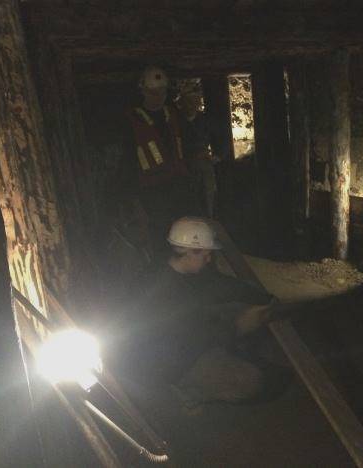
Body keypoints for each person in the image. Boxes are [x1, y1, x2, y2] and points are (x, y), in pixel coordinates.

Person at [119, 217, 278, 410]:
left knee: (237, 311)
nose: (209, 259)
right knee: (249, 380)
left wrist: (262, 297)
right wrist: (238, 326)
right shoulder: (163, 293)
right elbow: (194, 339)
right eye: (205, 255)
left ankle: (228, 357)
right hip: (170, 363)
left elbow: (222, 285)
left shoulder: (183, 269)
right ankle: (188, 393)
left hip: (187, 342)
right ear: (190, 252)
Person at [118, 66, 200, 257]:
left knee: (189, 234)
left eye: (162, 91)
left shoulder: (174, 115)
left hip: (180, 186)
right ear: (143, 91)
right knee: (161, 238)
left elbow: (190, 144)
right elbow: (126, 161)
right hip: (152, 192)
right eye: (153, 92)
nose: (158, 96)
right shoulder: (131, 121)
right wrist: (132, 196)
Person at [177, 88, 218, 218]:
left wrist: (217, 156)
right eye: (189, 101)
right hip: (185, 163)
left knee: (208, 192)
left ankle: (209, 217)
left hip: (204, 161)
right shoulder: (176, 121)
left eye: (195, 101)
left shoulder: (204, 120)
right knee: (189, 193)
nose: (192, 105)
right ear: (182, 103)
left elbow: (217, 137)